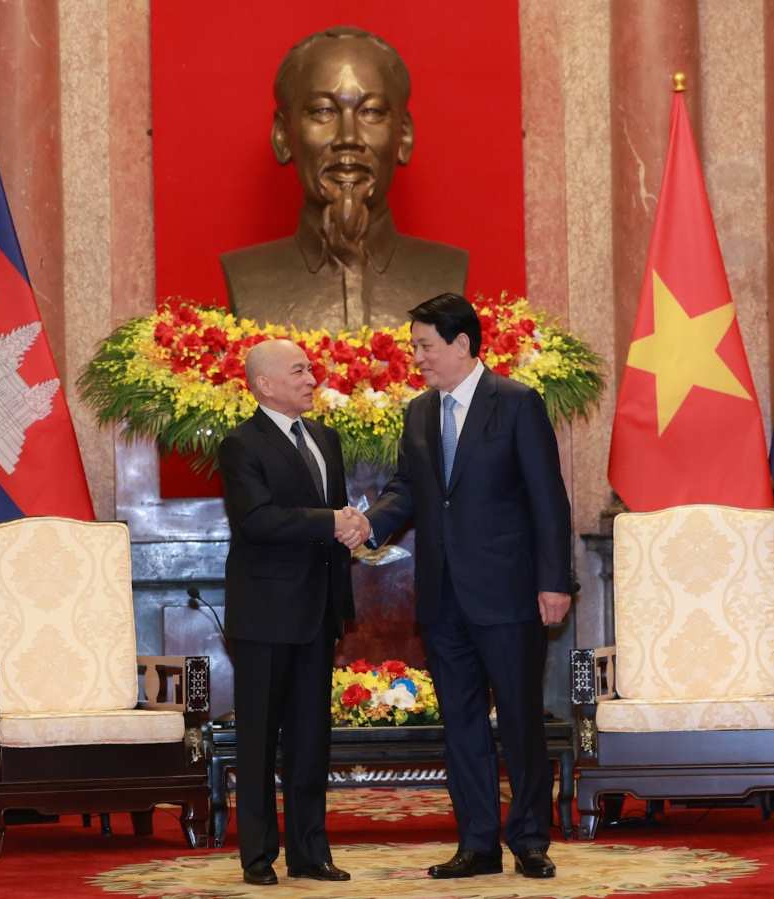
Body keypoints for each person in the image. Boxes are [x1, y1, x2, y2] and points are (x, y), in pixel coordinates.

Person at [349, 293, 575, 880]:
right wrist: (368, 522)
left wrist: (554, 581)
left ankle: (529, 839)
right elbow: (407, 489)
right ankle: (477, 843)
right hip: (443, 596)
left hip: (509, 592)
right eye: (414, 345)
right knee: (462, 724)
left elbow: (548, 499)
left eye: (425, 345)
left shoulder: (517, 404)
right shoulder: (420, 413)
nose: (416, 357)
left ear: (462, 345)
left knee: (521, 720)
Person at [217, 339, 363, 886]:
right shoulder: (242, 444)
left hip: (317, 611)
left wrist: (347, 528)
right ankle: (258, 856)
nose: (311, 377)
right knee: (259, 740)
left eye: (310, 367)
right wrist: (331, 521)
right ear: (265, 384)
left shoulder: (326, 438)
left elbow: (337, 517)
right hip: (264, 614)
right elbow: (256, 520)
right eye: (298, 369)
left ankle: (310, 853)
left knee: (310, 739)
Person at [221, 26, 467, 332]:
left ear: (403, 136)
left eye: (372, 112)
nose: (348, 138)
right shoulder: (246, 276)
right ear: (282, 136)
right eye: (323, 111)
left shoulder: (446, 272)